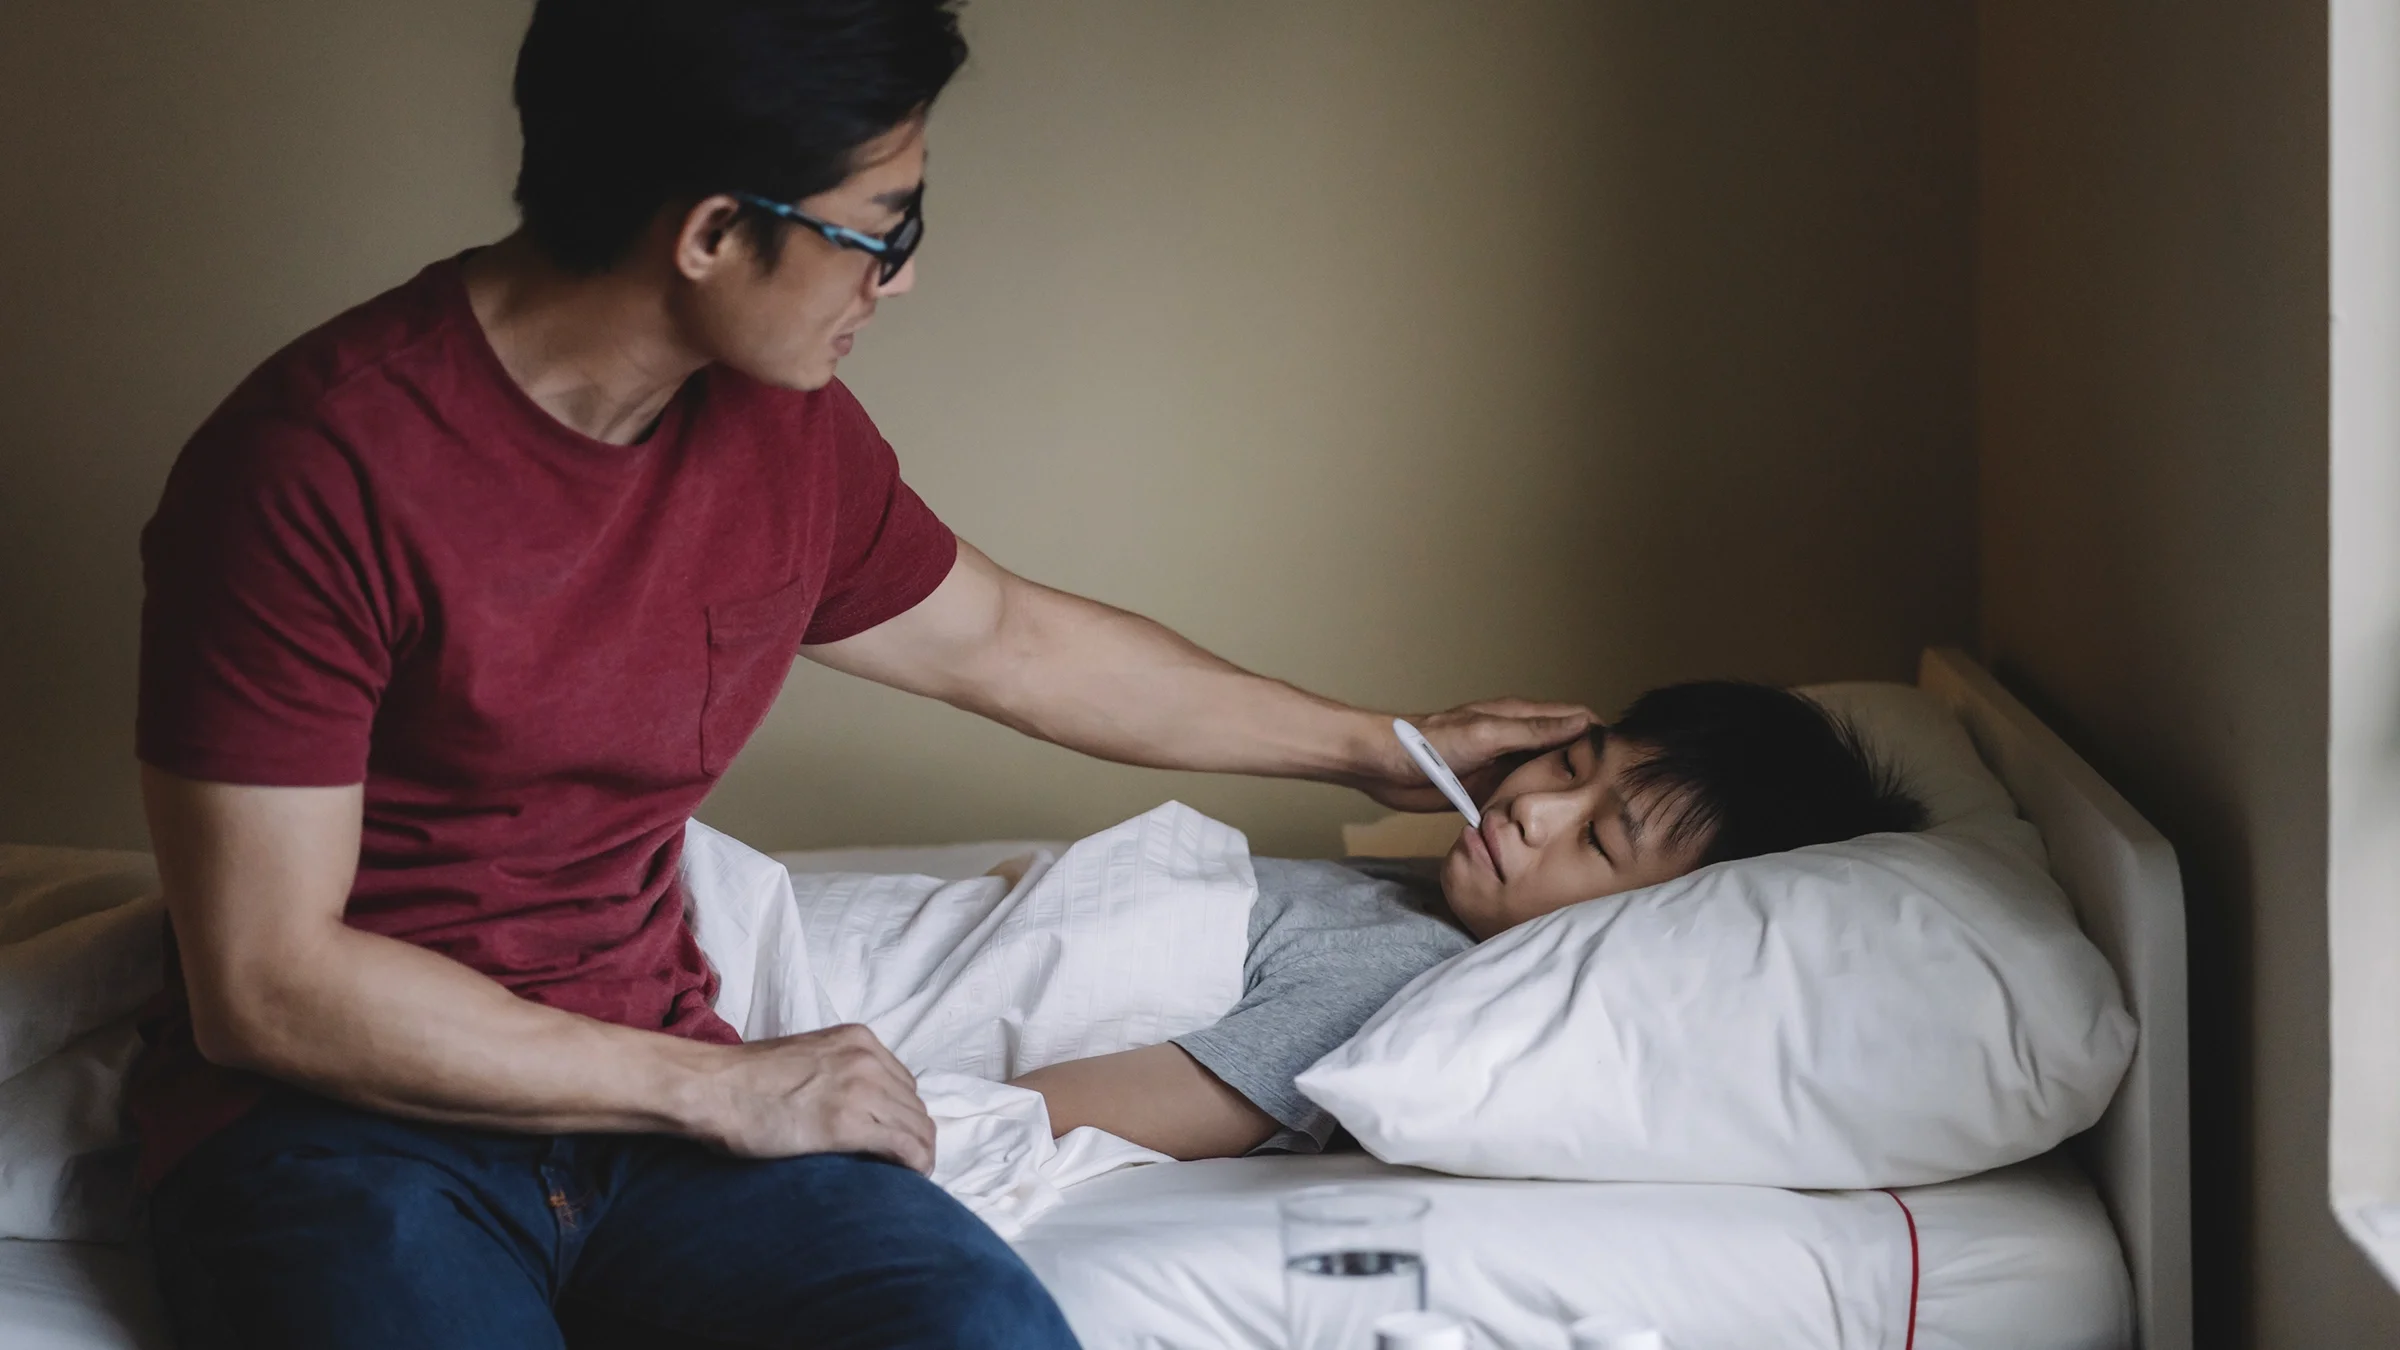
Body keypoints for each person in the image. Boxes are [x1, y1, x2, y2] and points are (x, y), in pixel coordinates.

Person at [128, 3, 1597, 1348]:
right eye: (885, 226)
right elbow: (268, 985)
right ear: (714, 231)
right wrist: (723, 1085)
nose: (903, 274)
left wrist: (1384, 747)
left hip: (660, 1118)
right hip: (344, 1132)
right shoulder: (315, 468)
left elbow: (1007, 640)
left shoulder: (782, 429)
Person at [1014, 682, 1929, 1161]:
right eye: (1569, 765)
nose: (1534, 808)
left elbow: (1042, 1118)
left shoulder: (1397, 976)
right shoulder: (1422, 887)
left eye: (1599, 839)